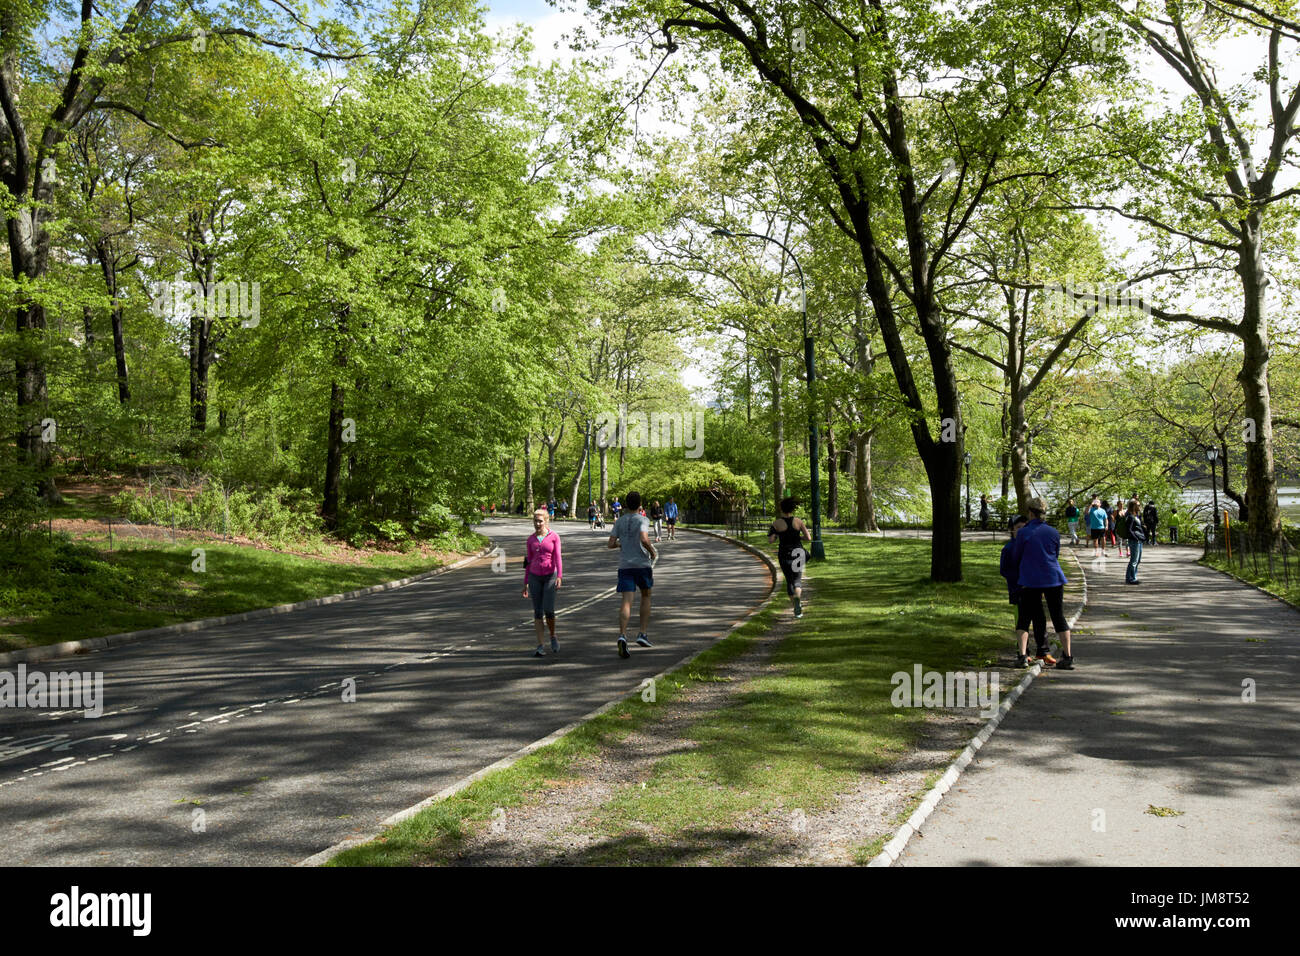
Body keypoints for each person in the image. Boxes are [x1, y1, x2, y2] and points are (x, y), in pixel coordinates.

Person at [1011, 497, 1075, 669]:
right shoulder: (1054, 533)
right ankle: (1068, 656)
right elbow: (1055, 554)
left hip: (1031, 579)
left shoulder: (1023, 532)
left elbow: (1016, 556)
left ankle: (1023, 656)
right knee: (1058, 616)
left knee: (1024, 617)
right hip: (1053, 578)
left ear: (1030, 513)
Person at [608, 490, 657, 658]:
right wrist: (652, 551)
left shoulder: (620, 521)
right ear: (640, 503)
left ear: (626, 504)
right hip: (641, 564)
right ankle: (642, 633)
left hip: (625, 566)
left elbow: (610, 543)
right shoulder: (643, 519)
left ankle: (622, 635)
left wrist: (623, 544)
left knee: (626, 601)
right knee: (646, 596)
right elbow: (644, 538)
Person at [1001, 515, 1049, 666]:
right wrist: (1019, 580)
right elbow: (1004, 570)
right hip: (1017, 589)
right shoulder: (1009, 548)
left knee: (1039, 619)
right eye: (1018, 528)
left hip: (1033, 588)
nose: (1021, 531)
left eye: (1024, 528)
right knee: (1022, 621)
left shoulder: (1030, 546)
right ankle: (1023, 653)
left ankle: (1042, 651)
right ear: (1012, 530)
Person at [522, 508, 563, 657]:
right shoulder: (530, 540)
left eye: (540, 521)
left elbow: (558, 557)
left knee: (549, 610)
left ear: (546, 521)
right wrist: (525, 582)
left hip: (550, 576)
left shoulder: (554, 537)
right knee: (538, 612)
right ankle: (540, 645)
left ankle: (552, 635)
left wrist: (560, 576)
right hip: (534, 577)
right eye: (535, 521)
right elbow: (528, 562)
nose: (537, 523)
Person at [768, 497, 812, 619]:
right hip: (798, 552)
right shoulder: (798, 521)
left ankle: (795, 606)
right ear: (792, 509)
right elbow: (808, 538)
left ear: (781, 509)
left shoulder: (776, 523)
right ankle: (798, 599)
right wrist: (799, 538)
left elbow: (771, 540)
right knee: (797, 580)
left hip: (784, 554)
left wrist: (777, 534)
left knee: (789, 581)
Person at [1125, 499, 1146, 584]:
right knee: (1134, 560)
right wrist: (1136, 538)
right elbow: (1129, 530)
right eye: (1138, 505)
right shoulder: (1130, 517)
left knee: (1138, 560)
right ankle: (1131, 578)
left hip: (1139, 540)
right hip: (1134, 541)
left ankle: (1131, 577)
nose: (1140, 506)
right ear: (1134, 506)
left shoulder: (1137, 516)